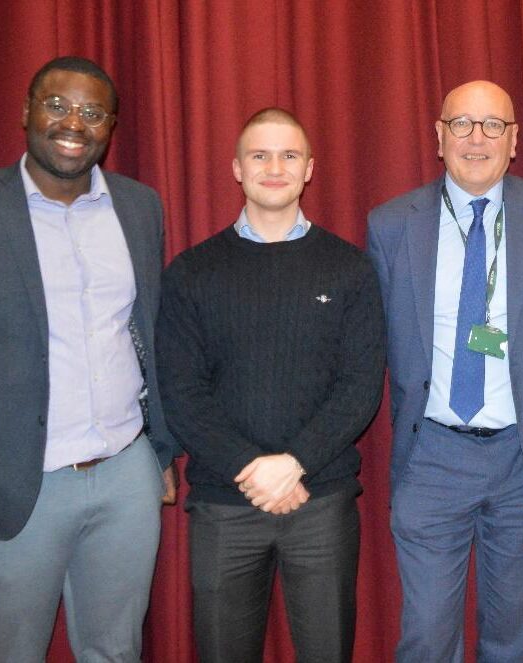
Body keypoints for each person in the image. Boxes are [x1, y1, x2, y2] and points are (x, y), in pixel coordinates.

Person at [0, 56, 178, 662]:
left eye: (93, 113)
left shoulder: (140, 207)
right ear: (26, 113)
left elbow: (146, 335)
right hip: (12, 489)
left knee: (116, 652)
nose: (74, 123)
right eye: (57, 105)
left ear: (111, 126)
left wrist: (160, 450)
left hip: (125, 478)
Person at [156, 107, 385, 663]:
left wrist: (295, 462)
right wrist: (254, 470)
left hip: (320, 502)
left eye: (289, 155)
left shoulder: (349, 267)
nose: (275, 167)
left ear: (310, 168)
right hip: (224, 504)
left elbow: (360, 385)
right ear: (237, 168)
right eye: (260, 155)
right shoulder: (191, 272)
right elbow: (182, 392)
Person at [367, 80, 523, 662]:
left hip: (521, 457)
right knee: (428, 635)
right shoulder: (391, 224)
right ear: (439, 137)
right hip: (432, 455)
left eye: (493, 126)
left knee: (514, 635)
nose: (477, 138)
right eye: (462, 124)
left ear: (515, 141)